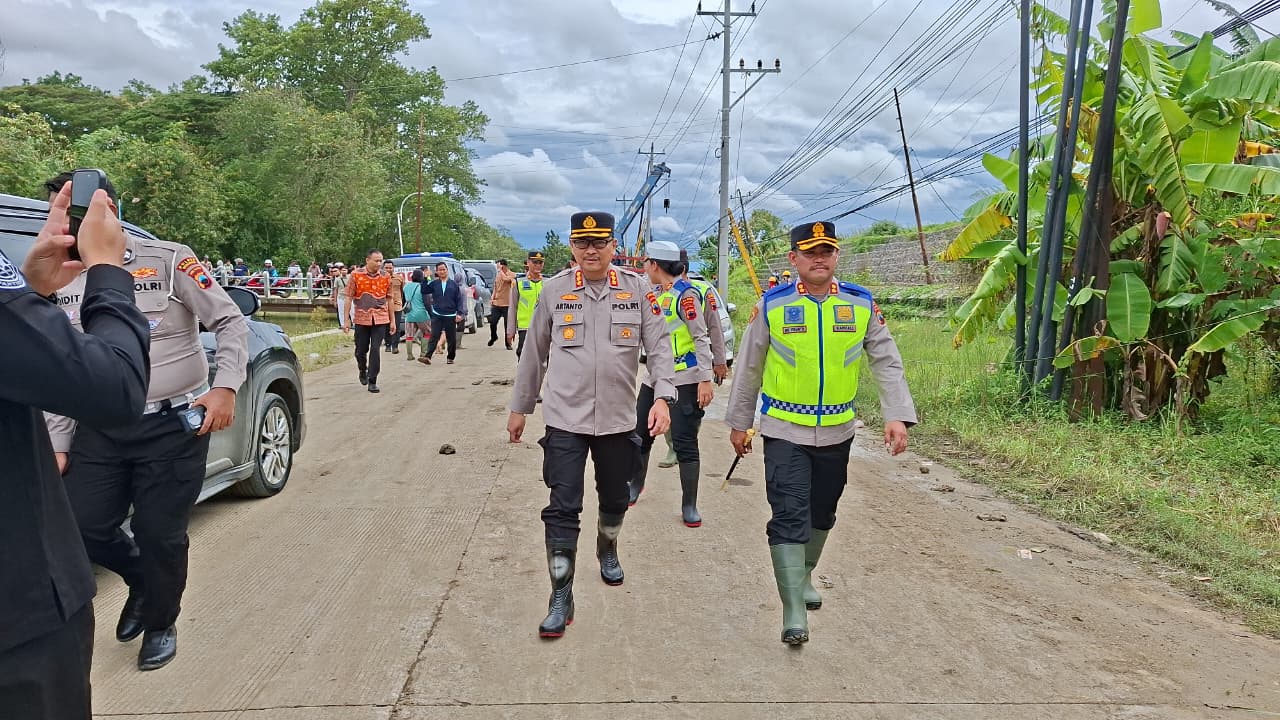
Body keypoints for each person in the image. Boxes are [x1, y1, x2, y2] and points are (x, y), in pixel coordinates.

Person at [42, 172, 250, 672]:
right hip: (98, 426)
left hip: (173, 425)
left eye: (73, 210)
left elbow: (230, 320)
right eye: (56, 210)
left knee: (161, 532)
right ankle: (141, 579)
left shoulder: (167, 258)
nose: (64, 222)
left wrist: (225, 386)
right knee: (84, 524)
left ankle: (160, 622)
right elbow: (57, 360)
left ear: (105, 207)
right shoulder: (59, 274)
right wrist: (57, 436)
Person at [725, 220, 916, 645]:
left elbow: (886, 360)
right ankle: (793, 610)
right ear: (793, 259)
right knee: (789, 512)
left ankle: (806, 574)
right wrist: (741, 422)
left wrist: (897, 414)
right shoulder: (772, 305)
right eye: (809, 252)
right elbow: (749, 367)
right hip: (783, 429)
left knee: (823, 511)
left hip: (837, 430)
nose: (819, 258)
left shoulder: (860, 303)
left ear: (836, 256)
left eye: (826, 251)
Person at [2, 185, 150, 720]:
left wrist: (29, 293)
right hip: (19, 619)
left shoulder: (175, 259)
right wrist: (108, 271)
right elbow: (113, 388)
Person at [507, 211, 675, 639]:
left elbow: (658, 348)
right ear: (572, 247)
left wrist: (662, 397)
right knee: (562, 505)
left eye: (599, 242)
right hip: (565, 417)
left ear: (613, 245)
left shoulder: (638, 291)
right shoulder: (553, 291)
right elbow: (535, 354)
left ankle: (608, 545)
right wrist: (520, 406)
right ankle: (560, 595)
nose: (591, 250)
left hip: (619, 419)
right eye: (582, 243)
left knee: (616, 498)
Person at [627, 241, 714, 527]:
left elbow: (701, 338)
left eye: (645, 263)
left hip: (684, 380)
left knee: (686, 442)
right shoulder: (655, 294)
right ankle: (635, 485)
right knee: (641, 433)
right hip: (654, 378)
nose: (644, 268)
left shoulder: (685, 296)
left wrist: (705, 378)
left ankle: (690, 504)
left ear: (655, 264)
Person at [657, 252, 730, 470]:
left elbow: (715, 327)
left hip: (693, 364)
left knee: (689, 412)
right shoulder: (661, 292)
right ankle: (673, 445)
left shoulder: (702, 291)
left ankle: (682, 444)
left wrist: (719, 361)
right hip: (665, 366)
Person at [343, 249, 394, 393]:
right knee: (361, 350)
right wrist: (346, 319)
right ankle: (362, 369)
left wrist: (392, 321)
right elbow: (348, 297)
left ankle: (373, 380)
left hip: (380, 317)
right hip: (361, 318)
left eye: (381, 261)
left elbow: (389, 299)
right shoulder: (356, 275)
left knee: (375, 348)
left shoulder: (386, 276)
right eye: (376, 260)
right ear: (367, 260)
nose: (379, 263)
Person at [420, 261, 464, 365]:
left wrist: (459, 313)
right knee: (434, 335)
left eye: (444, 269)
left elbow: (459, 300)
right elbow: (424, 290)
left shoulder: (454, 285)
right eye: (440, 270)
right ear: (437, 271)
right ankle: (428, 356)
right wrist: (425, 278)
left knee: (451, 338)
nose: (442, 271)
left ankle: (450, 357)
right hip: (437, 314)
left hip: (451, 315)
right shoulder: (434, 283)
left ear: (447, 270)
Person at [506, 250, 545, 358]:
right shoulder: (518, 282)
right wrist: (510, 330)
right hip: (525, 327)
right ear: (528, 263)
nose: (538, 265)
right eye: (535, 262)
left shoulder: (548, 282)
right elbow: (513, 307)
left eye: (540, 263)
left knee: (544, 358)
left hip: (544, 327)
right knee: (524, 356)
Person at [403, 268, 431, 362]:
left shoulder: (406, 286)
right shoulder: (422, 287)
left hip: (409, 314)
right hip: (422, 314)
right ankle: (423, 353)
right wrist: (431, 313)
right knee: (426, 333)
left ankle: (409, 355)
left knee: (409, 335)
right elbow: (427, 302)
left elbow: (404, 300)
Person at [488, 258, 515, 348]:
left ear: (503, 265)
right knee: (492, 322)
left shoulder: (511, 274)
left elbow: (506, 280)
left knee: (507, 325)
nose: (497, 267)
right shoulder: (498, 274)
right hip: (497, 303)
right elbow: (496, 287)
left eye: (498, 265)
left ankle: (508, 343)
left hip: (507, 304)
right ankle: (493, 336)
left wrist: (500, 270)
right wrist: (492, 297)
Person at [382, 259, 406, 354]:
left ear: (393, 268)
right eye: (386, 268)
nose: (388, 269)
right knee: (386, 326)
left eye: (390, 268)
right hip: (384, 306)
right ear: (383, 268)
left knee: (396, 326)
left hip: (397, 305)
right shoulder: (379, 278)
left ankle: (395, 346)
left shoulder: (399, 278)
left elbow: (402, 291)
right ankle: (388, 344)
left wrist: (402, 302)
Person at [330, 263, 349, 329]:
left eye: (335, 271)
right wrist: (334, 299)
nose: (334, 272)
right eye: (333, 271)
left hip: (349, 297)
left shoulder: (350, 277)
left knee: (352, 311)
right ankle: (342, 325)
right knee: (341, 311)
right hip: (340, 297)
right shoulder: (336, 279)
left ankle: (353, 324)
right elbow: (334, 289)